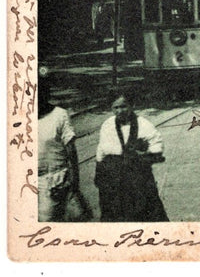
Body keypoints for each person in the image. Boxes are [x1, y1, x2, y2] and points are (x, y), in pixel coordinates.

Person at [95, 94, 168, 222]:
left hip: (137, 178)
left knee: (146, 213)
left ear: (131, 106)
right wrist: (99, 174)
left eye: (123, 106)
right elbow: (101, 152)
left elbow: (157, 148)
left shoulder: (144, 124)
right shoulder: (107, 125)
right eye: (115, 107)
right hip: (113, 178)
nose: (119, 111)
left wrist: (143, 154)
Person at [38, 73, 83, 222]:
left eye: (41, 91)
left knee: (46, 222)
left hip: (53, 181)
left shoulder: (59, 115)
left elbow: (71, 151)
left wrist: (75, 184)